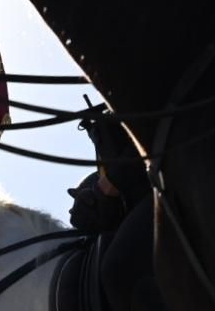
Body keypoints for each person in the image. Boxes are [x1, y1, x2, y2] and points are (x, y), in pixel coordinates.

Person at [67, 112, 164, 311]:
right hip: (143, 194)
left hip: (165, 185)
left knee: (119, 268)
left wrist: (109, 182)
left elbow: (154, 128)